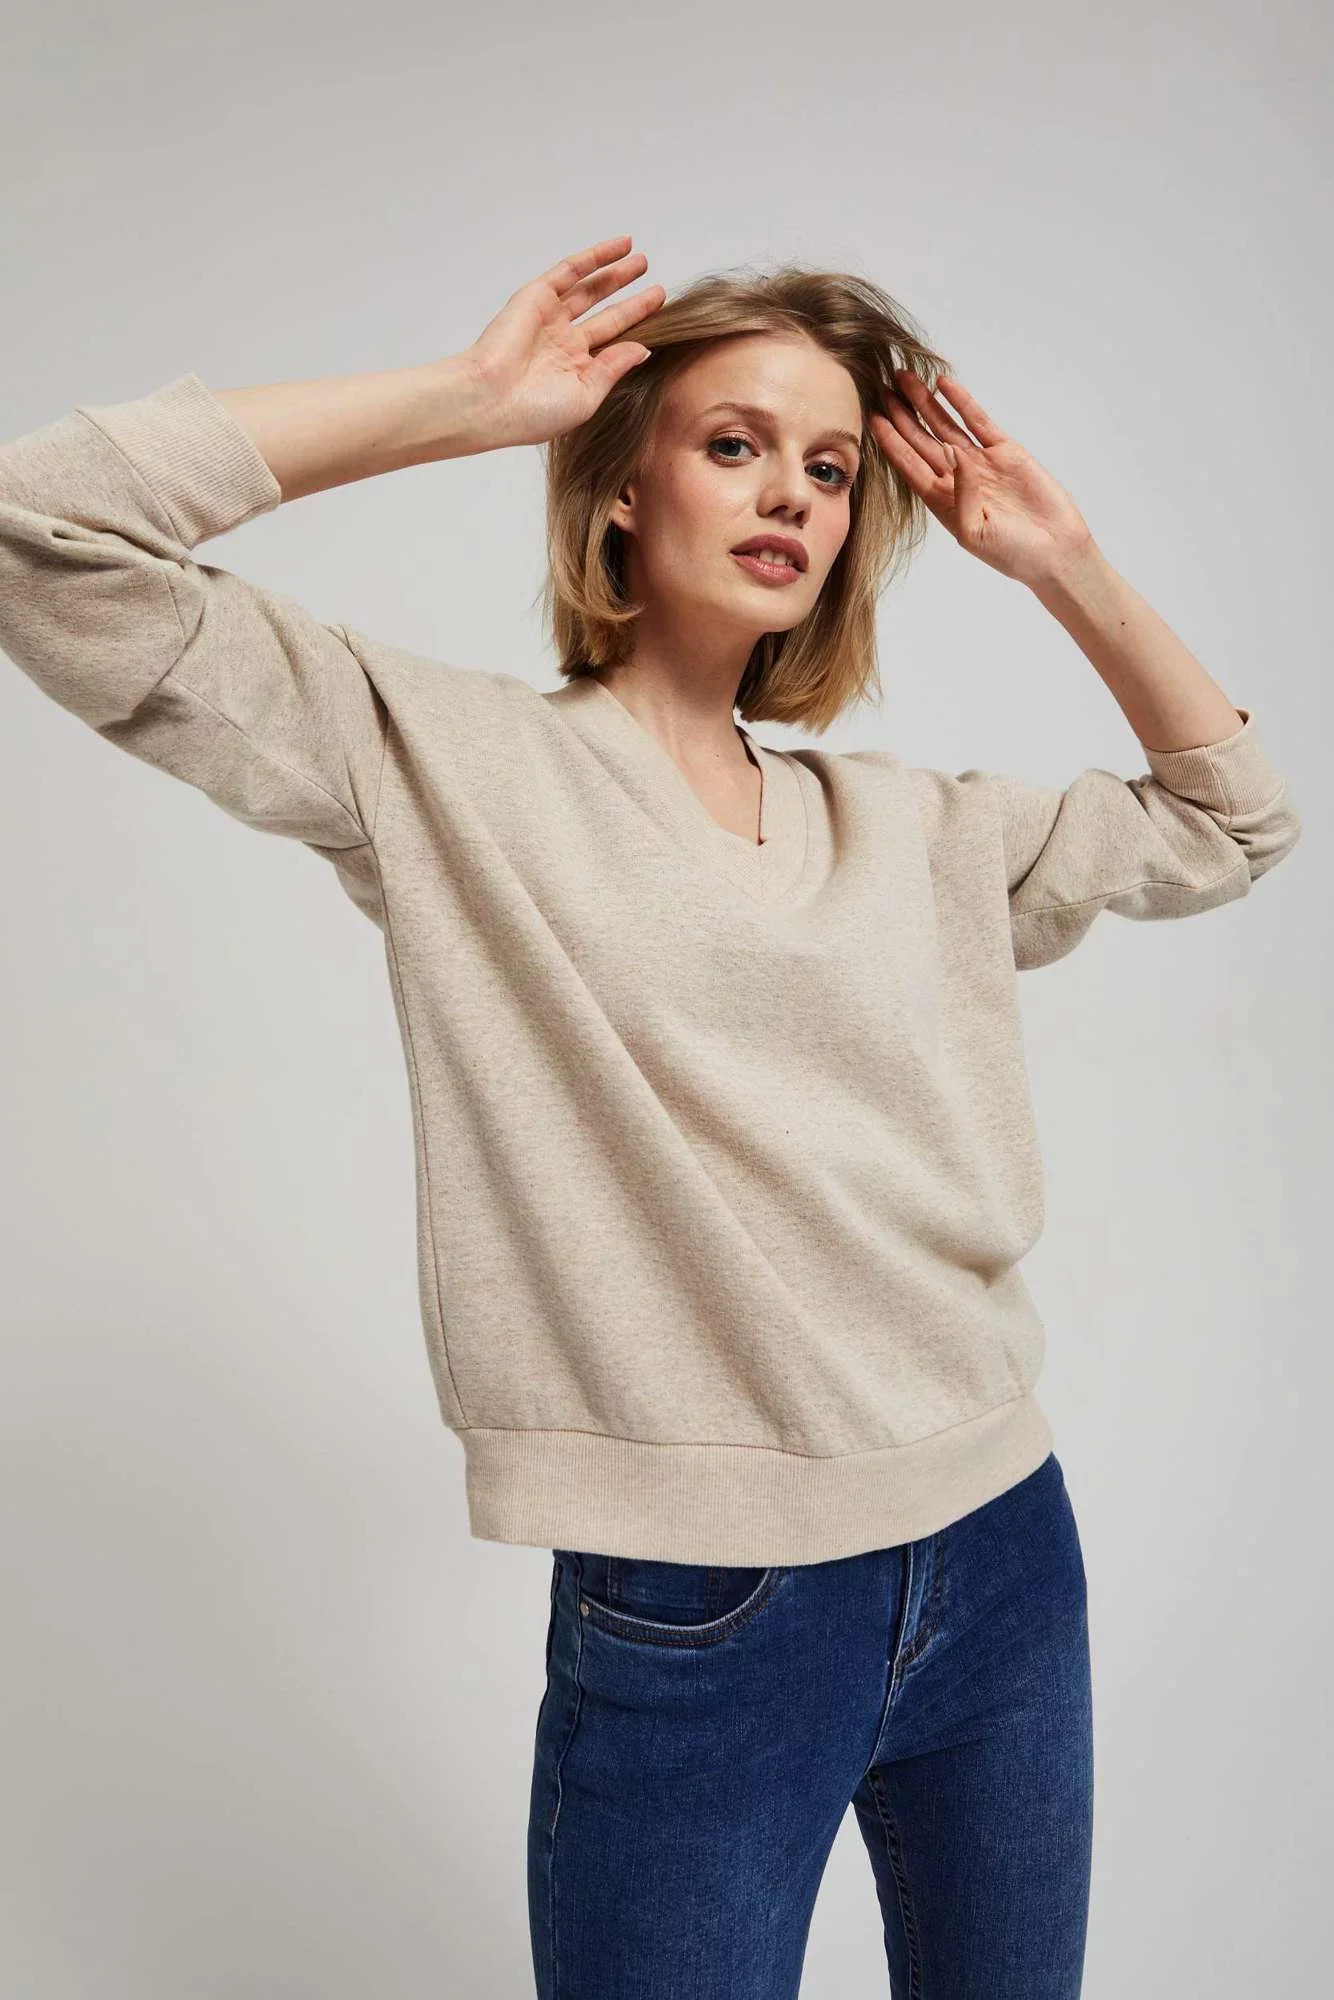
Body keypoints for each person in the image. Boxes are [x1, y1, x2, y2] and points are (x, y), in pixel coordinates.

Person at [0, 234, 1301, 1997]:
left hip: (998, 1544)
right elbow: (40, 527)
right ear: (621, 486)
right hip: (704, 1600)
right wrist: (466, 402)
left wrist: (1058, 563)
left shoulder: (912, 829)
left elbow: (1231, 821)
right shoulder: (445, 764)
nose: (789, 495)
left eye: (828, 468)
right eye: (732, 443)